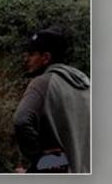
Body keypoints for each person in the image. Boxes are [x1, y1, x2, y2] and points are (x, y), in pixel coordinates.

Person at [13, 27, 90, 173]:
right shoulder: (88, 86)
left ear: (46, 58)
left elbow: (21, 120)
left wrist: (38, 161)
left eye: (31, 54)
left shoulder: (42, 82)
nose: (26, 59)